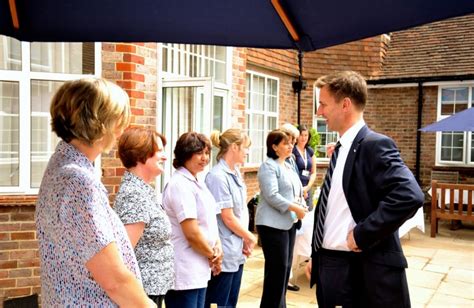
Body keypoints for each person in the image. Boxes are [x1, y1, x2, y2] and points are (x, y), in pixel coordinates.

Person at [305, 71, 424, 307]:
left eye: (323, 104)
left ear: (345, 105)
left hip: (359, 272)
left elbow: (410, 195)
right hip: (331, 266)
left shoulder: (374, 145)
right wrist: (318, 255)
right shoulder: (341, 149)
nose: (319, 112)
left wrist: (362, 234)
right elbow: (336, 208)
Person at [35, 78, 155, 307]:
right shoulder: (77, 181)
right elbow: (114, 281)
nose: (122, 128)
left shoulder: (62, 164)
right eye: (119, 119)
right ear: (102, 123)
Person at [114, 127, 174, 308]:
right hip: (142, 292)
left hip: (152, 288)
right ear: (142, 154)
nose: (164, 156)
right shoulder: (134, 195)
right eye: (159, 151)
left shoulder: (142, 189)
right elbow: (123, 253)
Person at [162, 132, 223, 308]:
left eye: (206, 153)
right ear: (185, 154)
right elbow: (192, 233)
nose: (204, 158)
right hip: (185, 269)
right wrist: (214, 257)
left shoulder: (197, 181)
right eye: (199, 153)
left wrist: (217, 245)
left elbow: (209, 221)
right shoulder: (180, 184)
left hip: (200, 267)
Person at [204, 129, 257, 308]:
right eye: (245, 147)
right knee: (220, 304)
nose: (247, 152)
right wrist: (250, 236)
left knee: (230, 303)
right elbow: (227, 217)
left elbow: (239, 213)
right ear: (234, 147)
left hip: (236, 250)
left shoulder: (235, 173)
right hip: (225, 252)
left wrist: (244, 239)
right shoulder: (217, 177)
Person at [256, 129, 308, 308]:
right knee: (276, 272)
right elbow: (272, 195)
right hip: (271, 225)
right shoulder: (268, 166)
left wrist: (301, 204)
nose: (290, 145)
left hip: (289, 224)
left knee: (284, 271)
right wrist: (295, 207)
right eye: (286, 143)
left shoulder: (287, 164)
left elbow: (295, 191)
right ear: (274, 147)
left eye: (291, 143)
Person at [293, 125, 317, 210]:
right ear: (297, 136)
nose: (303, 138)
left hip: (307, 187)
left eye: (306, 135)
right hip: (295, 189)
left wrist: (307, 188)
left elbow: (313, 172)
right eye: (301, 135)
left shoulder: (310, 151)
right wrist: (301, 189)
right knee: (297, 214)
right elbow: (291, 172)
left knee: (308, 211)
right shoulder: (293, 151)